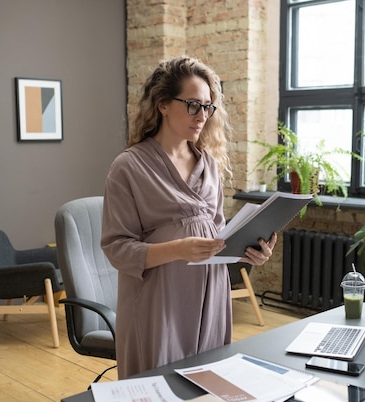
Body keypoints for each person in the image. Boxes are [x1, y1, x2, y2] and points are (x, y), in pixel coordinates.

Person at [101, 56, 277, 379]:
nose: (203, 116)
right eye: (193, 105)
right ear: (163, 104)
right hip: (158, 299)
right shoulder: (128, 167)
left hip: (210, 294)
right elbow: (117, 248)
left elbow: (218, 233)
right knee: (157, 393)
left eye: (208, 107)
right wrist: (179, 249)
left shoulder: (208, 165)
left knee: (206, 386)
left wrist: (251, 251)